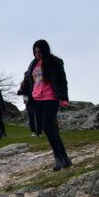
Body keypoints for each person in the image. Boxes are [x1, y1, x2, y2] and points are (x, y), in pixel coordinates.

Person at [23, 39, 72, 171]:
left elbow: (62, 80)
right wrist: (27, 94)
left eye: (39, 51)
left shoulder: (54, 62)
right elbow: (29, 80)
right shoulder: (33, 64)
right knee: (51, 130)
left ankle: (59, 159)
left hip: (51, 97)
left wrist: (64, 98)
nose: (37, 54)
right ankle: (65, 159)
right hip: (37, 99)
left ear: (45, 50)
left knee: (47, 127)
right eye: (35, 51)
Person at [16, 70, 39, 137]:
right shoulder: (23, 83)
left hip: (36, 100)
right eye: (26, 75)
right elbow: (19, 92)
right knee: (31, 116)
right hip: (28, 102)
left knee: (38, 115)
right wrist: (23, 91)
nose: (27, 76)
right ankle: (33, 132)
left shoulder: (35, 82)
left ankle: (39, 131)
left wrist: (24, 92)